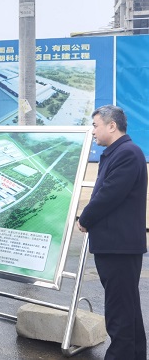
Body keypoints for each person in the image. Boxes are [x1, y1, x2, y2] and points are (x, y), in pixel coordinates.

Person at [78, 105, 147, 360]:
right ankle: (135, 354)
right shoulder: (119, 152)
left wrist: (85, 218)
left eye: (95, 125)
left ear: (112, 125)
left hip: (119, 246)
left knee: (119, 309)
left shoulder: (127, 153)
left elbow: (109, 194)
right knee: (127, 306)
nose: (93, 131)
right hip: (116, 244)